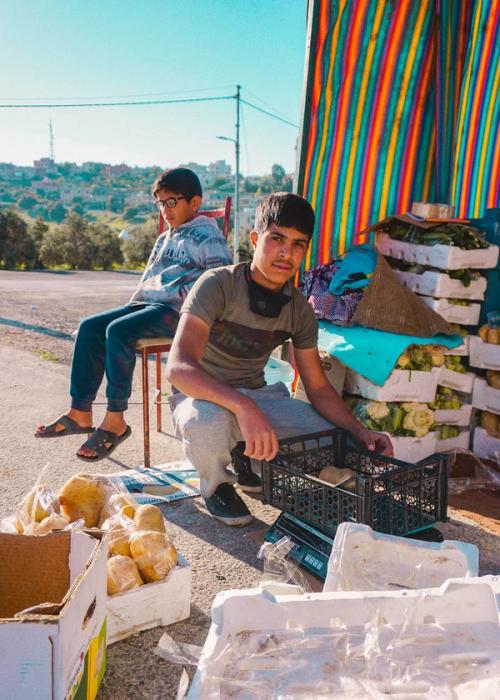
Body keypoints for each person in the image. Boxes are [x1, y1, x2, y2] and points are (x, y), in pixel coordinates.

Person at [165, 192, 393, 526]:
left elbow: (318, 387)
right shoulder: (217, 285)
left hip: (259, 396)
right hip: (201, 396)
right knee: (207, 424)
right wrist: (245, 408)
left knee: (326, 435)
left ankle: (245, 458)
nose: (287, 253)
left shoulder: (300, 310)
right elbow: (179, 368)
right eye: (277, 239)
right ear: (255, 239)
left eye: (298, 244)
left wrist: (360, 432)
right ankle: (216, 486)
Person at [35, 167, 232, 461]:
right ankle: (80, 412)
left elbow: (221, 277)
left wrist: (184, 298)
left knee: (119, 332)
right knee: (90, 327)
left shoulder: (207, 235)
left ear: (194, 203)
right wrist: (131, 307)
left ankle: (116, 420)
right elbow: (148, 282)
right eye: (160, 203)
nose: (165, 210)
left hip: (181, 312)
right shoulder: (164, 238)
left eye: (172, 202)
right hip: (149, 306)